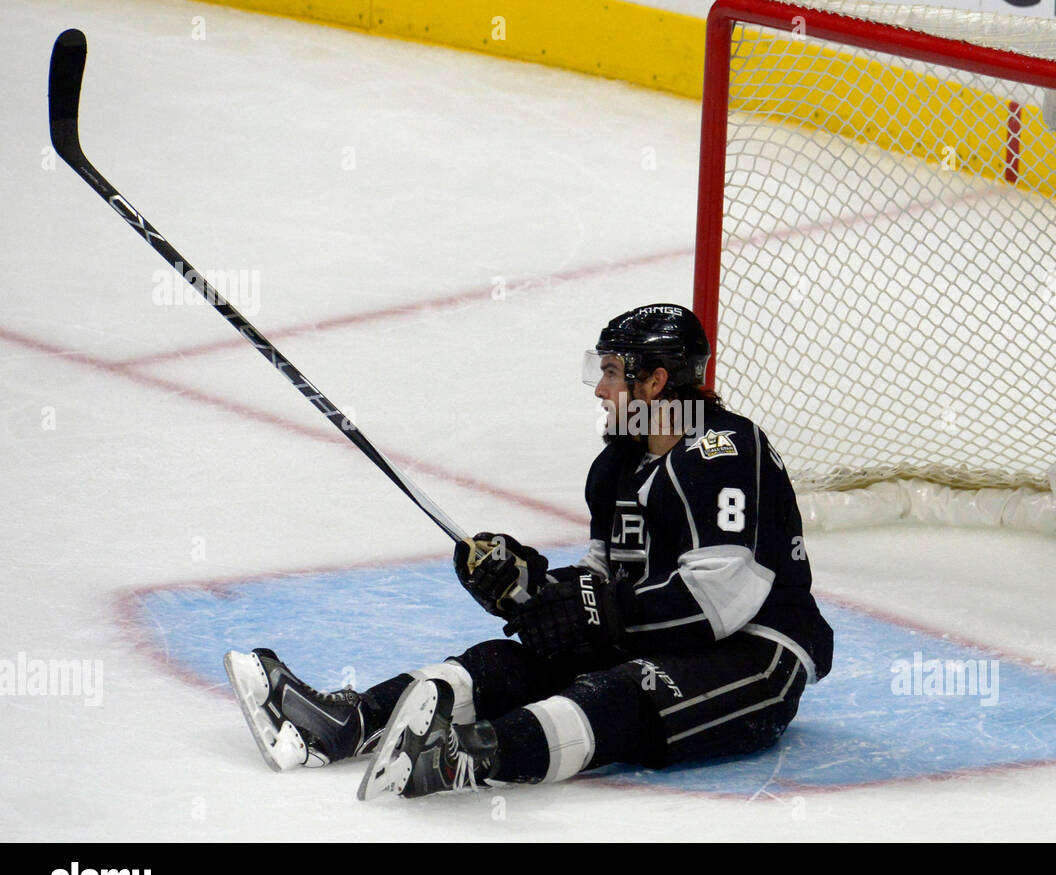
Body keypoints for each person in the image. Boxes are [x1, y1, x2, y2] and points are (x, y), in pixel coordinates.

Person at [224, 303, 833, 799]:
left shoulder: (721, 450)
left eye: (614, 373)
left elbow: (717, 601)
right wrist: (528, 587)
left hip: (755, 656)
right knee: (506, 660)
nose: (599, 389)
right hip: (668, 636)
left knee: (621, 692)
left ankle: (463, 758)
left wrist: (595, 610)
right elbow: (603, 587)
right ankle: (344, 723)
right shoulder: (616, 467)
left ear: (656, 381)